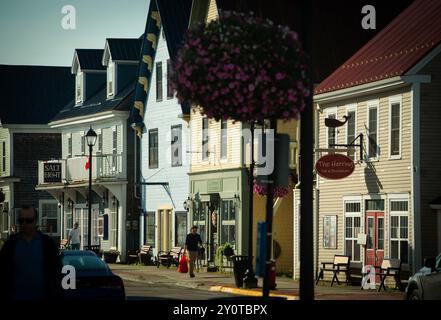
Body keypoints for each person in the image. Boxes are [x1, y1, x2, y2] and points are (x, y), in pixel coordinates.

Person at [0, 205, 62, 300]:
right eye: (21, 220)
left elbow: (56, 273)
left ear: (36, 221)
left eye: (29, 220)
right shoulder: (10, 245)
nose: (24, 223)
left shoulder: (47, 244)